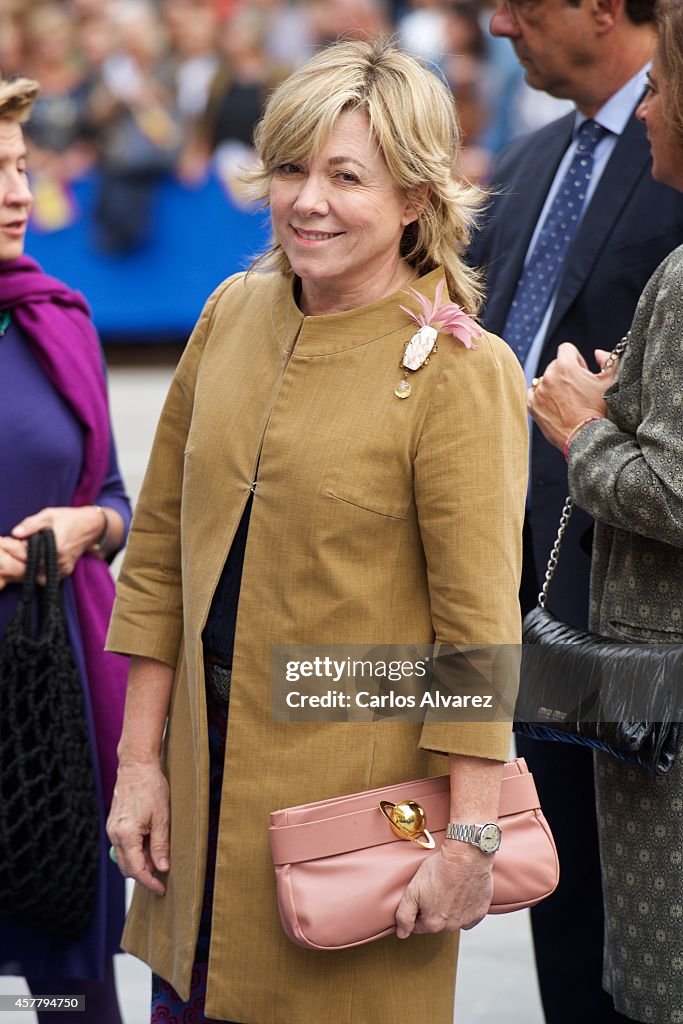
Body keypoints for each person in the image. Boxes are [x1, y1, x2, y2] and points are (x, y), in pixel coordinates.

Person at [105, 39, 528, 1024]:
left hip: (354, 827)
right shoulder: (230, 312)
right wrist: (138, 763)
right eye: (291, 168)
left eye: (346, 176)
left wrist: (468, 842)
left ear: (415, 199)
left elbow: (475, 639)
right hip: (196, 792)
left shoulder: (462, 374)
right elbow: (160, 553)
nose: (307, 200)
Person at [468, 0, 683, 1018]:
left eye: (523, 2)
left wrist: (587, 433)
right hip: (523, 606)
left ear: (603, 8)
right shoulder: (529, 158)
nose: (498, 22)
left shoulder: (672, 151)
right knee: (557, 899)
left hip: (640, 629)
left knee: (637, 927)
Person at [0, 77, 132, 1023]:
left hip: (53, 706)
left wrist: (91, 528)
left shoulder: (58, 314)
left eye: (18, 167)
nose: (16, 194)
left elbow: (116, 499)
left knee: (63, 991)